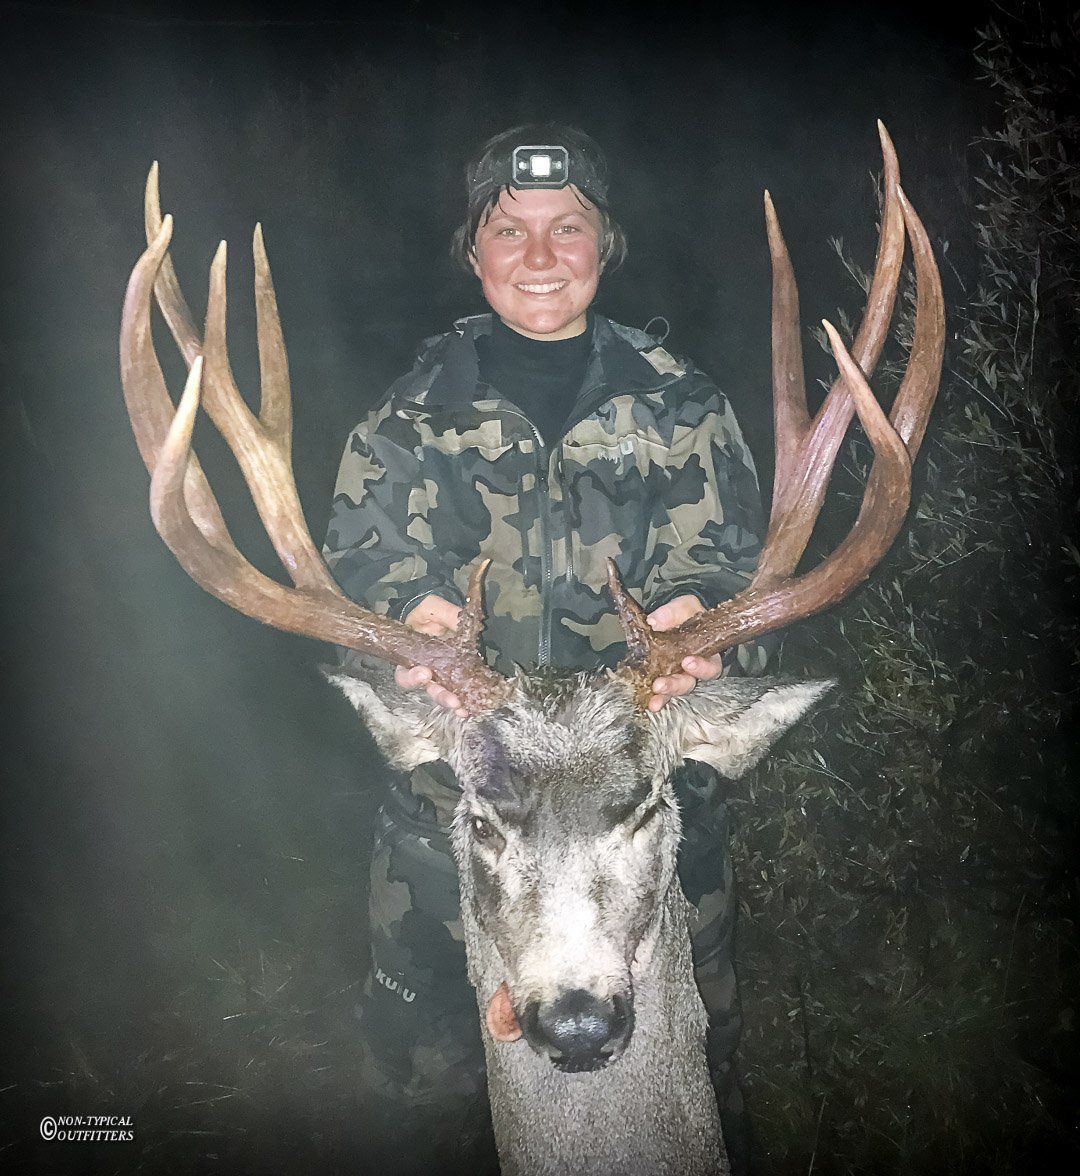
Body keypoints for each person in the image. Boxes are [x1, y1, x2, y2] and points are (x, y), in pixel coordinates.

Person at [323, 123, 773, 1174]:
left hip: (642, 831)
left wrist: (703, 628)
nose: (538, 255)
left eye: (567, 228)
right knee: (422, 1087)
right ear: (471, 252)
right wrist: (408, 627)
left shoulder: (685, 408)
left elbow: (743, 577)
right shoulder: (404, 423)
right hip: (458, 825)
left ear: (604, 244)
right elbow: (357, 570)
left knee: (694, 1076)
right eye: (508, 230)